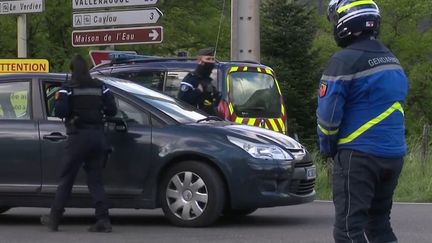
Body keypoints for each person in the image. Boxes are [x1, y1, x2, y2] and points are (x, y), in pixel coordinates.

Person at [317, 1, 409, 242]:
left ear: (346, 23)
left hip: (359, 157)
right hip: (393, 156)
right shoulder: (392, 59)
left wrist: (327, 148)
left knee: (348, 230)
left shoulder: (344, 60)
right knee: (379, 225)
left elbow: (328, 115)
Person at [41, 54, 117, 232]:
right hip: (98, 137)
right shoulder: (101, 87)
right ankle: (103, 220)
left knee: (67, 178)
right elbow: (112, 110)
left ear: (72, 70)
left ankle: (55, 218)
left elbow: (60, 111)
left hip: (78, 137)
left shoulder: (68, 88)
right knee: (96, 180)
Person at [177, 47, 221, 116]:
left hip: (209, 118)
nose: (211, 62)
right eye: (208, 59)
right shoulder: (191, 79)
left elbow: (212, 101)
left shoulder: (207, 80)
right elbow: (182, 100)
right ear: (200, 60)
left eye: (212, 59)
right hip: (194, 118)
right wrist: (198, 91)